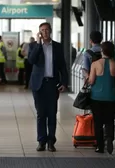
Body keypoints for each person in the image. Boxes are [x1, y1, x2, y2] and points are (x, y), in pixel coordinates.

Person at [28, 22, 68, 152]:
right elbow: (31, 60)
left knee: (52, 113)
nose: (44, 32)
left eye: (46, 30)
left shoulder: (57, 46)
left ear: (50, 31)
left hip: (52, 83)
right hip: (38, 84)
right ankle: (41, 141)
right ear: (39, 32)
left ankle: (51, 141)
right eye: (42, 30)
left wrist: (64, 82)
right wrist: (39, 45)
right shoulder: (34, 45)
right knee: (41, 114)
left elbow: (62, 66)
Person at [88, 41, 115, 154]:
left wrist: (87, 78)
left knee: (98, 122)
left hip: (96, 97)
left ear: (102, 51)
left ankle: (100, 147)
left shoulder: (95, 64)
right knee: (110, 121)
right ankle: (109, 139)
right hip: (111, 97)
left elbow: (91, 81)